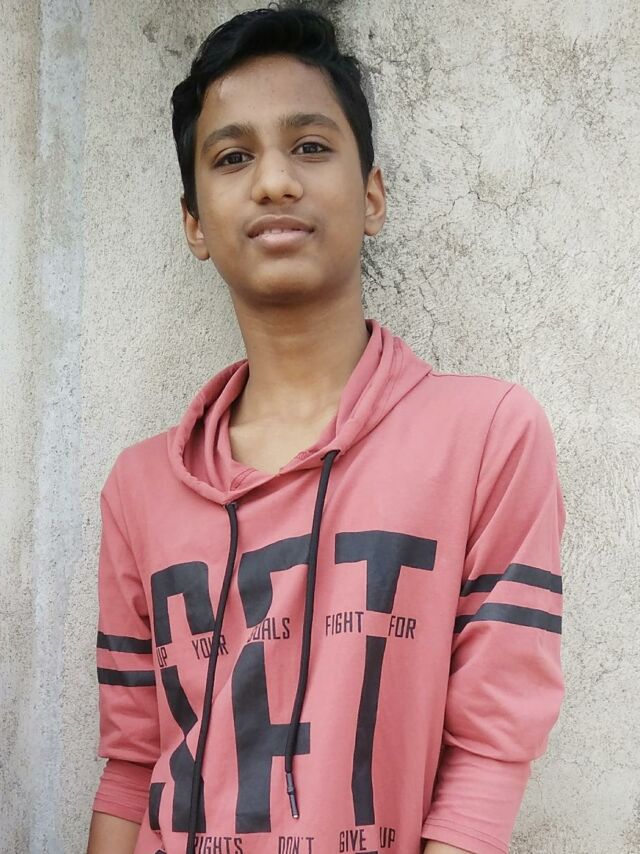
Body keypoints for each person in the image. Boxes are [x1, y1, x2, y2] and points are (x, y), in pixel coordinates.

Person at [86, 5, 566, 854]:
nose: (274, 181)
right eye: (232, 157)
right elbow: (131, 762)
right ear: (194, 224)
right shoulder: (139, 487)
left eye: (310, 146)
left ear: (372, 197)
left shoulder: (487, 436)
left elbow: (490, 755)